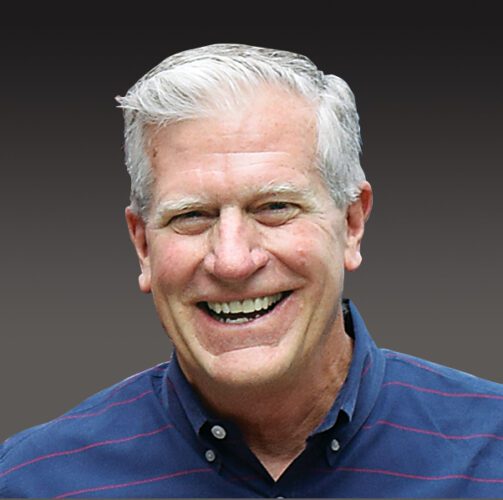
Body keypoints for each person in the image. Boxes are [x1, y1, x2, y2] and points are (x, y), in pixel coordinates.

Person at [1, 43, 503, 498]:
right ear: (143, 245)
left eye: (275, 206)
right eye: (192, 216)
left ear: (351, 223)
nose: (233, 260)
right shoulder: (33, 481)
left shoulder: (492, 453)